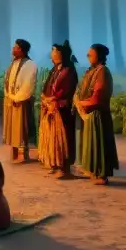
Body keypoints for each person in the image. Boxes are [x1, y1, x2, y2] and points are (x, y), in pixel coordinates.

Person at [75, 44, 119, 185]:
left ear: (99, 56)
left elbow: (99, 95)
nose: (88, 57)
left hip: (98, 114)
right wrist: (78, 101)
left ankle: (102, 174)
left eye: (90, 54)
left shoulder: (103, 72)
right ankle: (93, 170)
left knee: (100, 145)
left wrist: (83, 104)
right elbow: (81, 88)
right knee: (91, 144)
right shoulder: (91, 71)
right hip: (89, 113)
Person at [38, 41, 79, 179]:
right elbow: (48, 86)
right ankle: (55, 164)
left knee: (63, 139)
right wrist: (45, 98)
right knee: (52, 138)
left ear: (61, 54)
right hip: (51, 109)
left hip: (62, 110)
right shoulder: (55, 69)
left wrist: (52, 99)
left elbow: (65, 91)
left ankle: (64, 167)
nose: (52, 54)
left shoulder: (69, 71)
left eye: (54, 51)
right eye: (52, 51)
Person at [3, 39, 38, 163]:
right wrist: (9, 95)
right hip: (11, 100)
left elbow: (28, 84)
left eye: (16, 47)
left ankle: (24, 154)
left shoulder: (30, 64)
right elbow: (7, 80)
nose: (13, 49)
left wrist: (18, 98)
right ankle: (15, 153)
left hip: (21, 101)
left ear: (21, 50)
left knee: (22, 127)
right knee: (12, 128)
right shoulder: (13, 63)